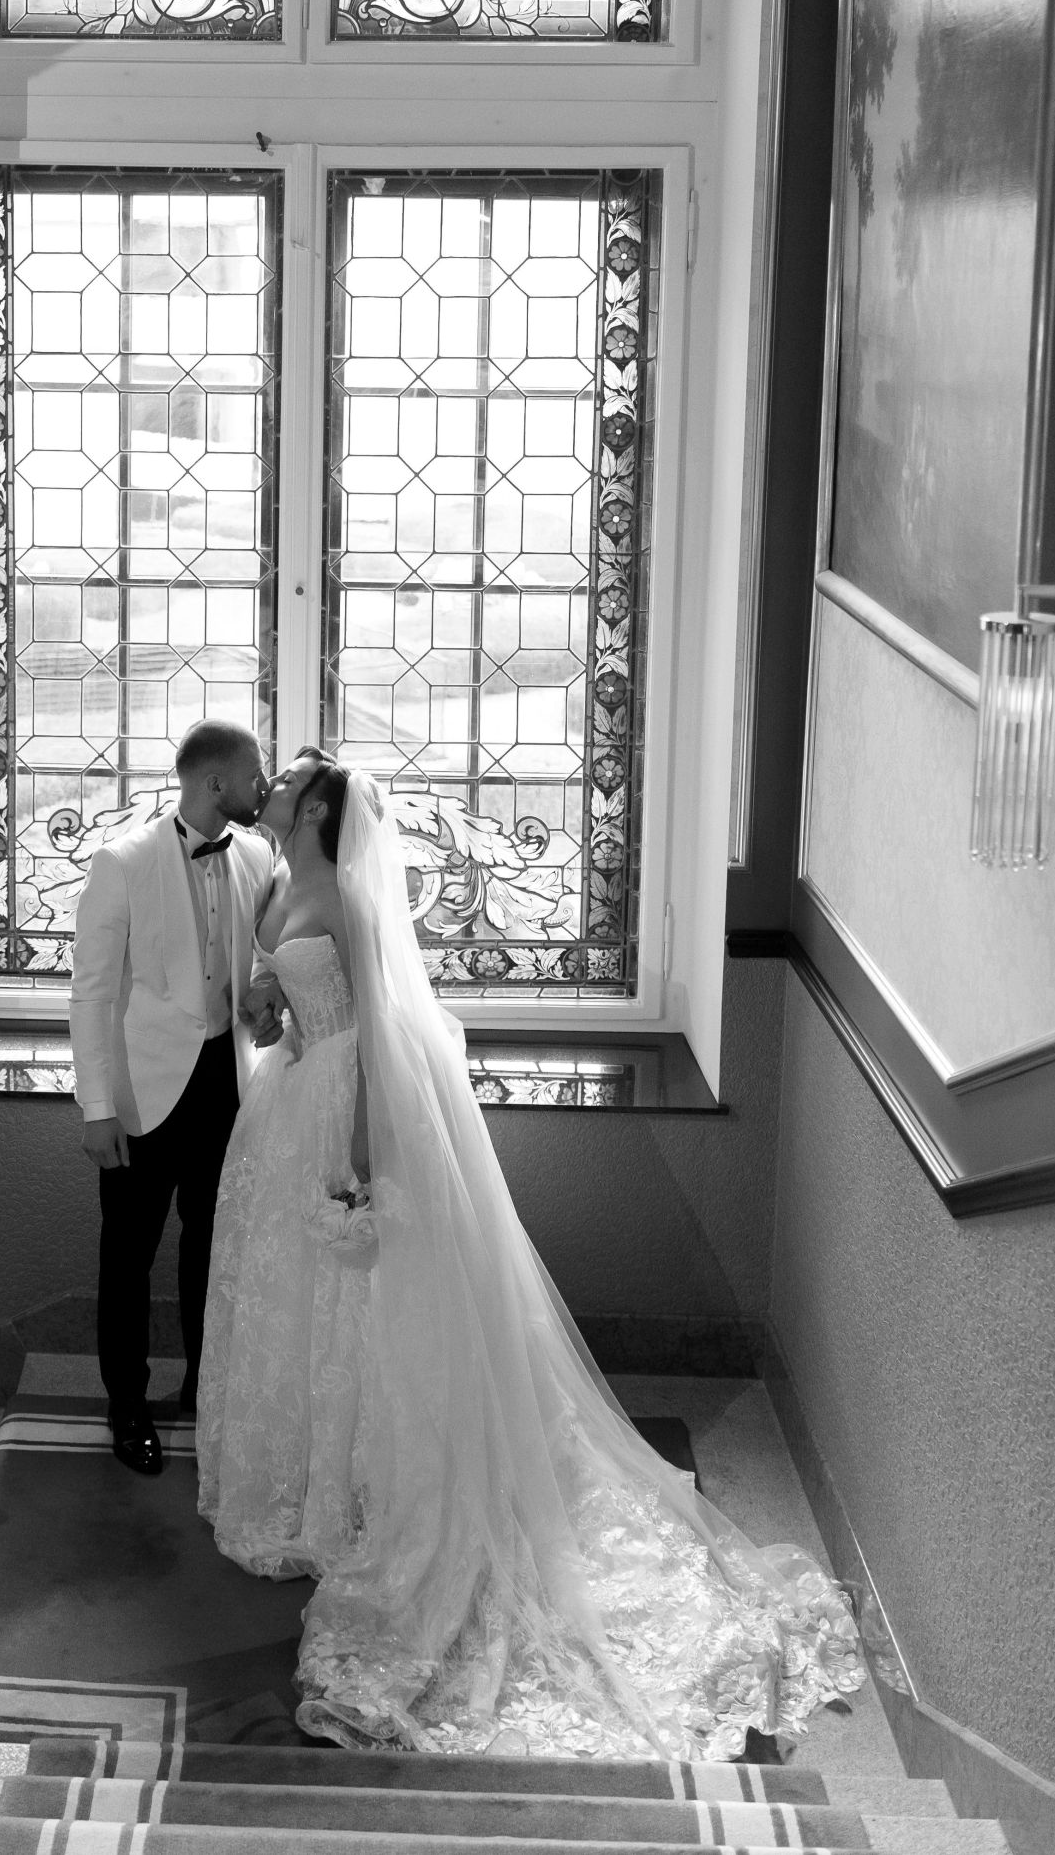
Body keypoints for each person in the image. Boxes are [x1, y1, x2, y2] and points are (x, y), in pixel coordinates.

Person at [198, 750, 866, 1760]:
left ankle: (368, 1494)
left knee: (365, 1307)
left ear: (322, 809)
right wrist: (267, 1004)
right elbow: (280, 984)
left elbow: (376, 1027)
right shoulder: (275, 878)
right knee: (300, 1302)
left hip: (349, 1102)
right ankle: (307, 1480)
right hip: (291, 1096)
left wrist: (363, 1150)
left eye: (291, 779)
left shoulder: (347, 898)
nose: (276, 784)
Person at [69, 719, 281, 1478]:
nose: (264, 786)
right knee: (128, 1255)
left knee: (212, 1243)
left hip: (229, 1081)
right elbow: (91, 993)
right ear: (216, 782)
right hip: (142, 1092)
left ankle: (204, 1388)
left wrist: (265, 994)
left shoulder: (256, 853)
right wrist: (97, 1107)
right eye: (254, 773)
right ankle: (126, 1405)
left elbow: (265, 952)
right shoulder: (121, 862)